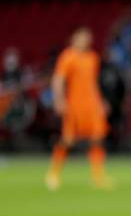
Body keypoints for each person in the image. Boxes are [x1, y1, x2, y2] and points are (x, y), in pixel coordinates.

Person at [45, 27, 113, 190]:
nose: (86, 40)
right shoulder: (68, 56)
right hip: (75, 106)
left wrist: (101, 101)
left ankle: (98, 177)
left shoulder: (93, 58)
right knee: (68, 140)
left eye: (88, 37)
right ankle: (53, 174)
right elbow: (58, 79)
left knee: (97, 139)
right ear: (74, 38)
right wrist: (59, 100)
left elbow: (93, 83)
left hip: (93, 106)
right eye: (83, 37)